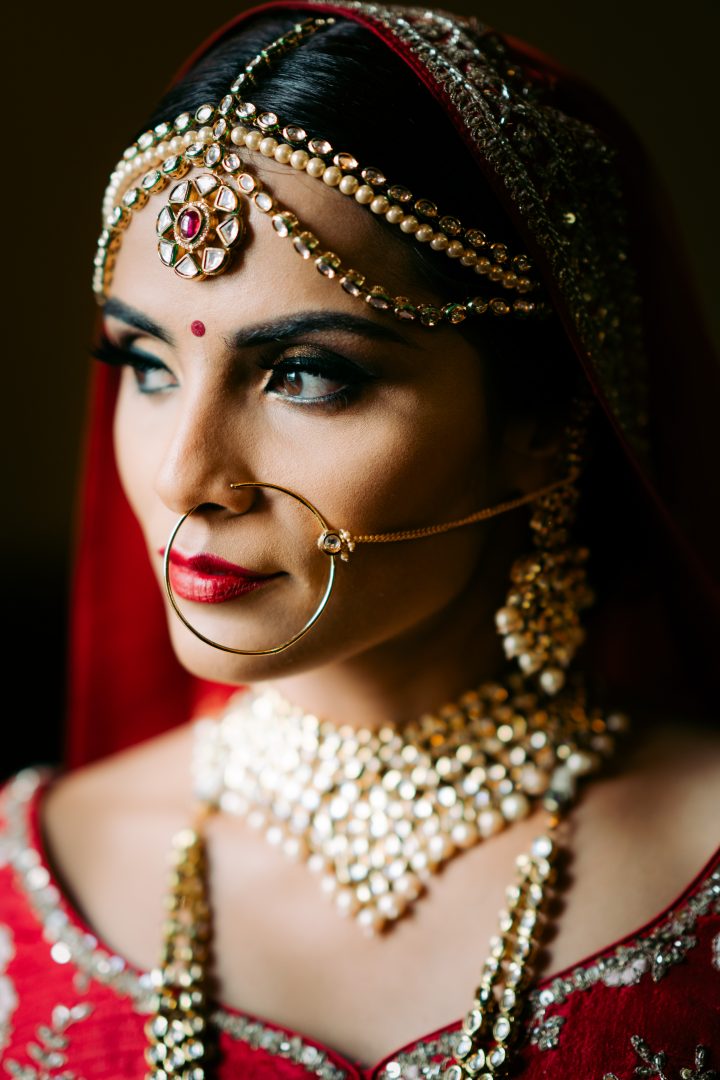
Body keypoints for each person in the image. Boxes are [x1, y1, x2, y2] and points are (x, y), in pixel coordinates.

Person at [1, 3, 718, 1077]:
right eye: (146, 365)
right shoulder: (25, 879)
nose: (181, 474)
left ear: (540, 427)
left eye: (305, 375)